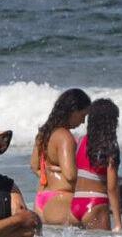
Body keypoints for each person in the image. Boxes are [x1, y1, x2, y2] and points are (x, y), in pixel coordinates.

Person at [29, 88, 91, 227]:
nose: (83, 122)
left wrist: (52, 172)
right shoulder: (65, 137)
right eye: (82, 115)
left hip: (41, 200)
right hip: (61, 200)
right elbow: (70, 175)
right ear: (73, 111)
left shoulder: (44, 133)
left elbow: (34, 166)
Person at [71, 98, 122, 232]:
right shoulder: (110, 146)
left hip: (74, 204)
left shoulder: (80, 141)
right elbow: (112, 187)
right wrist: (118, 223)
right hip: (95, 203)